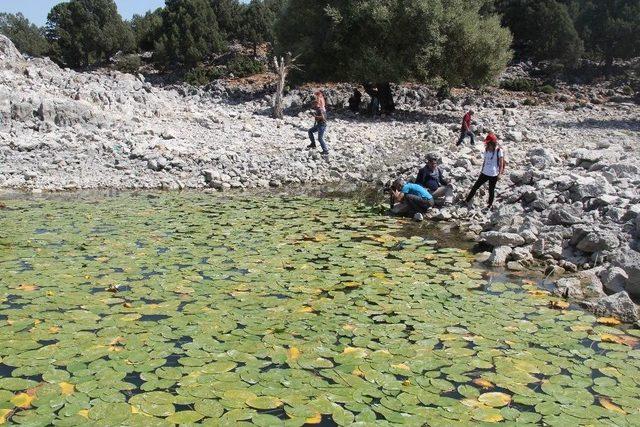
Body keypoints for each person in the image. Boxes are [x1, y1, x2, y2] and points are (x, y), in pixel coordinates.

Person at [464, 133, 505, 210]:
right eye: (487, 144)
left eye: (488, 144)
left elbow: (501, 163)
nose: (487, 145)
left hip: (494, 174)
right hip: (484, 173)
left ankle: (489, 205)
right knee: (475, 186)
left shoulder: (499, 151)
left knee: (491, 190)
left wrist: (500, 174)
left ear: (492, 143)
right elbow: (485, 161)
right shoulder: (486, 150)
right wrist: (482, 170)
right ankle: (467, 200)